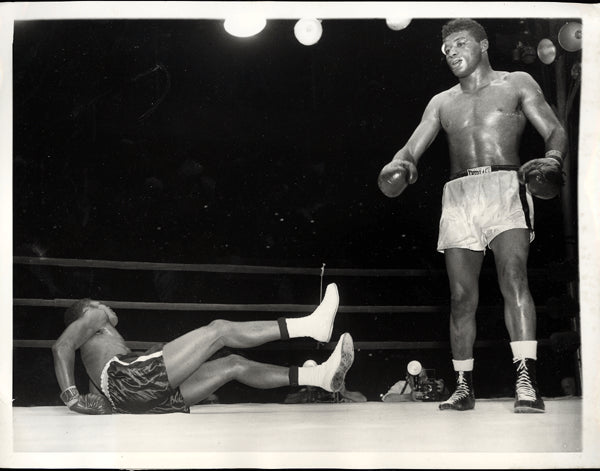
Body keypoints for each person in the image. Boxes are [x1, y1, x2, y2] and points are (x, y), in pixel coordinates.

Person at [378, 18, 567, 413]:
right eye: (446, 49)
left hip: (504, 184)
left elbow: (554, 130)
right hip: (459, 194)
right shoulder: (442, 101)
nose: (452, 53)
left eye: (460, 43)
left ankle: (527, 379)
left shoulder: (516, 82)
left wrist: (551, 160)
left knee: (513, 278)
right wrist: (399, 165)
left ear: (482, 44)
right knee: (461, 297)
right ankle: (463, 385)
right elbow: (411, 148)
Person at [52, 283, 354, 414]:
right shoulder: (95, 318)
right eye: (100, 304)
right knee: (219, 330)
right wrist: (70, 397)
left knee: (233, 364)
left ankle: (318, 378)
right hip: (132, 380)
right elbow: (61, 346)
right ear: (86, 311)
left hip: (137, 402)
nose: (107, 307)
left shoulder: (94, 357)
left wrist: (87, 404)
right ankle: (310, 326)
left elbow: (100, 400)